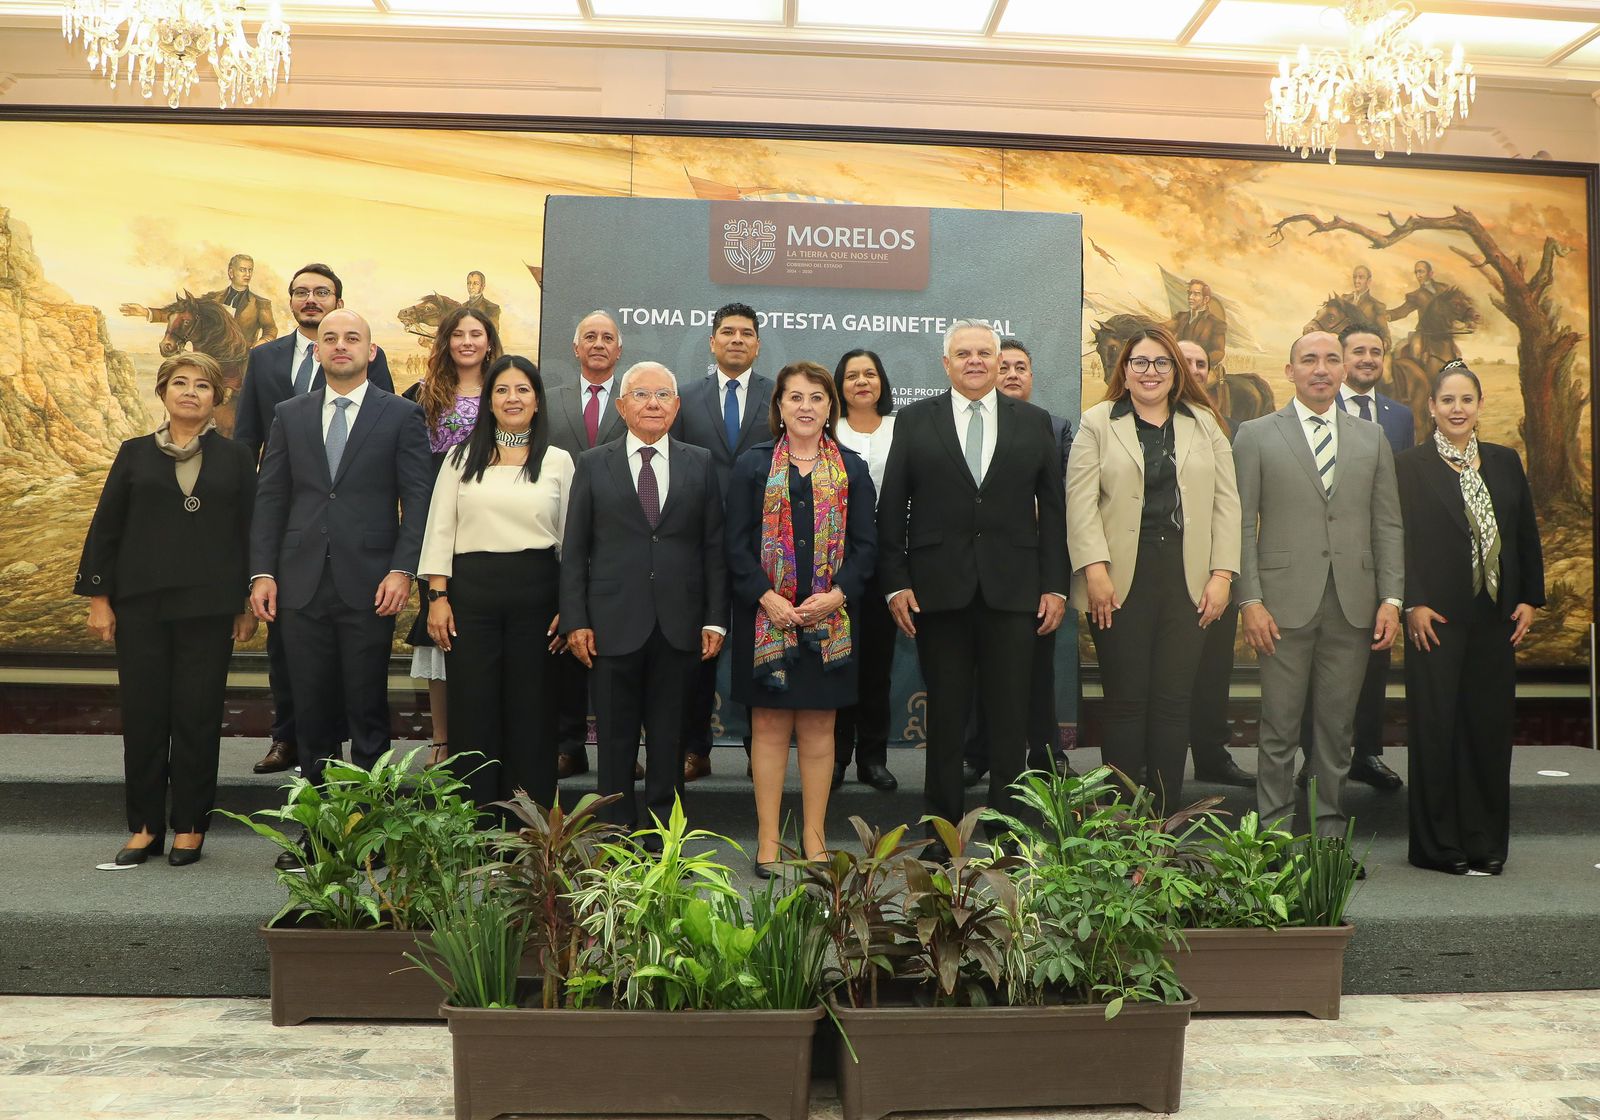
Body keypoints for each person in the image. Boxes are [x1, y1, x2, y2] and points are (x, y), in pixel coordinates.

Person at [249, 310, 433, 870]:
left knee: (366, 708)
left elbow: (418, 499)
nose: (340, 346)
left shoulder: (400, 414)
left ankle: (370, 831)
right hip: (299, 583)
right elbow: (272, 497)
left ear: (371, 352)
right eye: (330, 338)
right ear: (318, 351)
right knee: (312, 709)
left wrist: (403, 570)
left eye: (353, 338)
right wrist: (262, 572)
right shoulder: (290, 414)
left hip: (371, 583)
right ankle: (323, 831)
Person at [877, 319, 1068, 850]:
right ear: (946, 363)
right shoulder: (915, 420)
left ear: (999, 360)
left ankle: (1007, 835)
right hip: (938, 593)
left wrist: (1055, 585)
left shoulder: (1034, 422)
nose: (976, 361)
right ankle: (943, 834)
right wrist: (895, 583)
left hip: (1015, 591)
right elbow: (891, 507)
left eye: (985, 352)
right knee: (945, 719)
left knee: (1010, 719)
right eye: (964, 354)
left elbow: (1054, 512)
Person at [76, 352, 257, 867]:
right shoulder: (133, 453)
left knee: (197, 717)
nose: (190, 392)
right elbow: (106, 528)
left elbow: (250, 533)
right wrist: (99, 600)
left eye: (202, 385)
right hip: (140, 607)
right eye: (180, 382)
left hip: (209, 608)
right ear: (163, 392)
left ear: (216, 398)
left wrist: (245, 603)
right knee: (145, 716)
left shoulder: (237, 457)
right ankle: (145, 827)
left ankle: (191, 826)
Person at [1235, 330, 1403, 849]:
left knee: (1337, 731)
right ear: (1290, 371)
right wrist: (1250, 600)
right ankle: (1273, 841)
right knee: (1279, 728)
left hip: (1354, 605)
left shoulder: (1372, 438)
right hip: (1281, 606)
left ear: (1343, 370)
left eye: (1332, 359)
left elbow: (1387, 524)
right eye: (1309, 359)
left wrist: (1392, 599)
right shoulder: (1256, 435)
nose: (1321, 368)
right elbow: (1239, 524)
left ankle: (1329, 840)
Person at [233, 263, 395, 777]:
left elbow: (382, 437)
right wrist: (259, 557)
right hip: (294, 541)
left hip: (361, 555)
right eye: (300, 292)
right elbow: (251, 446)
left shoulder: (375, 373)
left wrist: (402, 565)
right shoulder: (266, 362)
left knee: (362, 682)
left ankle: (364, 790)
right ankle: (290, 743)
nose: (310, 299)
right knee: (293, 661)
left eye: (321, 292)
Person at [1068, 326, 1239, 812]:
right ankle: (1121, 827)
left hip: (1190, 579)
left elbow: (1228, 504)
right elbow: (1079, 504)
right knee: (1124, 702)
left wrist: (1222, 575)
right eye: (1140, 362)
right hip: (1118, 579)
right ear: (1124, 371)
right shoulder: (1097, 423)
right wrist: (1094, 570)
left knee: (1172, 702)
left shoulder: (1205, 424)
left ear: (1176, 372)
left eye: (1161, 362)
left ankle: (1164, 824)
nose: (1150, 372)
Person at [561, 362, 728, 839]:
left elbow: (713, 548)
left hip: (680, 624)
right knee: (614, 742)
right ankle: (615, 838)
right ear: (621, 405)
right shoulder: (593, 463)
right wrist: (575, 619)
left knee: (669, 741)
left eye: (662, 395)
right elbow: (575, 550)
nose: (653, 403)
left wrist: (716, 619)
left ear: (676, 406)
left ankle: (663, 842)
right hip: (610, 624)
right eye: (641, 394)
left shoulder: (700, 462)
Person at [727, 361, 877, 874]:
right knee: (768, 728)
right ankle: (768, 841)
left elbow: (867, 547)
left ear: (830, 406)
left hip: (828, 625)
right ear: (780, 406)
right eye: (795, 397)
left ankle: (814, 839)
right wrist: (765, 597)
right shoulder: (752, 465)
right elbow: (734, 544)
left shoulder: (852, 468)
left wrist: (838, 595)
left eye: (816, 397)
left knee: (818, 729)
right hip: (766, 621)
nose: (806, 407)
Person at [1397, 361, 1543, 875]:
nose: (1457, 409)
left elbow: (1524, 532)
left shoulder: (1505, 461)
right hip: (1434, 620)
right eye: (1447, 400)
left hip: (1495, 618)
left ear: (1479, 406)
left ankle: (1485, 842)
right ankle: (1437, 846)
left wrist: (1529, 598)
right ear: (1431, 407)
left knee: (1487, 729)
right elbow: (1398, 539)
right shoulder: (1409, 465)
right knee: (1436, 730)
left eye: (1466, 400)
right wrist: (1412, 601)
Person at [419, 355, 572, 819]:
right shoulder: (460, 458)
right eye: (502, 390)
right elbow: (440, 529)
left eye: (522, 390)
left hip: (538, 597)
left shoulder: (559, 461)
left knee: (532, 710)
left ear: (538, 401)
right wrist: (437, 598)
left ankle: (530, 828)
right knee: (474, 708)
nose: (512, 398)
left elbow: (574, 541)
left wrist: (571, 605)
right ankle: (476, 825)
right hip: (471, 598)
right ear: (489, 402)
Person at [1298, 324, 1416, 792]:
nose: (1367, 359)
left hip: (1370, 565)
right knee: (1314, 669)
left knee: (1373, 663)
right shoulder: (1315, 406)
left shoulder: (1399, 417)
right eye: (1358, 351)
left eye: (1376, 351)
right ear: (1341, 360)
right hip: (1317, 564)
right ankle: (1314, 759)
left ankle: (1365, 753)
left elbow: (1396, 497)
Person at [671, 302, 776, 781]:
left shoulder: (779, 397)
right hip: (700, 544)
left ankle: (761, 751)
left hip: (766, 545)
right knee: (698, 650)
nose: (737, 339)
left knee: (761, 650)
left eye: (746, 333)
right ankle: (696, 748)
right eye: (728, 332)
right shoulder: (684, 397)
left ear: (758, 344)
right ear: (712, 341)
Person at [964, 338, 1074, 786]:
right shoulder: (967, 424)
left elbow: (1061, 496)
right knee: (978, 664)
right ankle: (978, 753)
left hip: (1034, 566)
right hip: (977, 566)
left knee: (1037, 665)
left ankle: (1047, 753)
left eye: (1020, 367)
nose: (1011, 374)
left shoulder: (1055, 426)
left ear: (1032, 376)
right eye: (1004, 365)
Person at [403, 306, 503, 765]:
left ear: (489, 342)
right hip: (436, 527)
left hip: (490, 525)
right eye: (458, 334)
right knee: (438, 629)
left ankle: (490, 738)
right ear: (444, 342)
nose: (467, 342)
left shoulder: (505, 391)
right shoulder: (421, 395)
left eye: (475, 334)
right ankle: (442, 739)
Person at [546, 311, 629, 781]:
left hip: (621, 540)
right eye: (590, 337)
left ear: (619, 350)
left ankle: (620, 751)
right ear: (576, 348)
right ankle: (568, 745)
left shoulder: (636, 400)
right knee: (566, 641)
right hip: (561, 537)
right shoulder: (549, 401)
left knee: (619, 649)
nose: (598, 344)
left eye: (607, 338)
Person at [1180, 339, 1256, 789]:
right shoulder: (1141, 423)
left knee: (1214, 670)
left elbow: (1236, 504)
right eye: (1184, 361)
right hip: (1162, 570)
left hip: (1217, 570)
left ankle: (1211, 755)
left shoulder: (1231, 429)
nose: (1194, 370)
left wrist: (1224, 572)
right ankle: (1156, 763)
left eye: (1201, 363)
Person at [830, 348, 898, 793]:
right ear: (839, 385)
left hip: (887, 560)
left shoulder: (902, 429)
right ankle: (835, 758)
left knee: (876, 664)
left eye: (870, 374)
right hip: (832, 564)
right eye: (852, 375)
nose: (861, 382)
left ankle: (873, 758)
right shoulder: (826, 430)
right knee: (836, 663)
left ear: (882, 382)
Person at [121, 252, 276, 349]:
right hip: (209, 357)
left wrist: (261, 343)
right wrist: (146, 312)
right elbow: (185, 312)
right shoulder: (213, 299)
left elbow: (271, 330)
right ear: (231, 272)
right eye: (242, 270)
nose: (247, 274)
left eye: (250, 270)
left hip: (241, 360)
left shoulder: (261, 304)